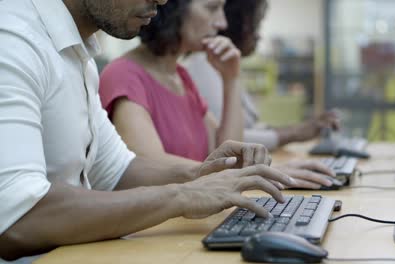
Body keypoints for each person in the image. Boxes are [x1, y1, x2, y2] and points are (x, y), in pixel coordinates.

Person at [0, 0, 296, 261]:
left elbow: (117, 171)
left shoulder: (78, 56)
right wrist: (183, 195)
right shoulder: (13, 40)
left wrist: (204, 175)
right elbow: (17, 218)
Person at [99, 0, 337, 190]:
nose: (222, 23)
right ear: (173, 9)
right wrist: (258, 172)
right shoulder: (124, 74)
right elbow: (149, 165)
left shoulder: (181, 76)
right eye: (212, 8)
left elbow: (228, 148)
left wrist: (230, 78)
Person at [183, 0, 340, 151]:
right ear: (238, 23)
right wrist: (294, 133)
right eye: (257, 25)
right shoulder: (202, 64)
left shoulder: (224, 67)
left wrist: (300, 129)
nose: (259, 36)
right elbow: (226, 141)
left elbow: (245, 129)